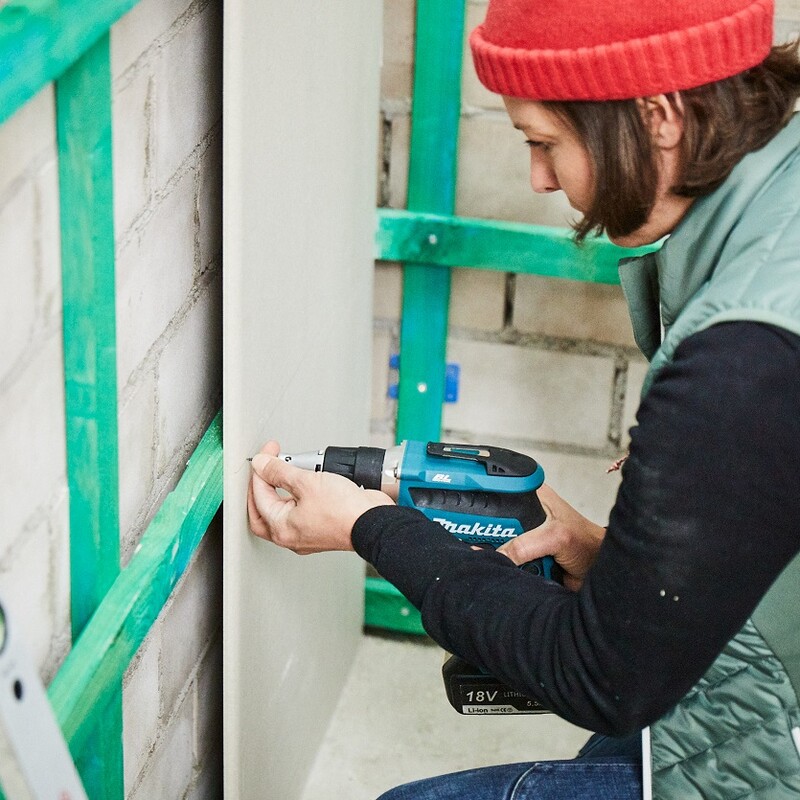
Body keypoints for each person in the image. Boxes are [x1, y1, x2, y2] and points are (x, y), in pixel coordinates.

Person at [248, 0, 800, 797]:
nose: (540, 178)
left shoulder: (743, 355)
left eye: (545, 143)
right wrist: (618, 562)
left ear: (660, 116)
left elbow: (600, 677)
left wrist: (368, 526)